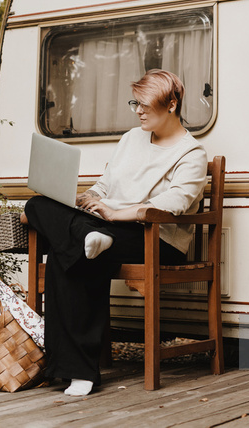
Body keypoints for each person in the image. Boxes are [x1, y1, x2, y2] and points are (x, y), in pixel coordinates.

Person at [23, 69, 208, 396]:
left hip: (153, 237)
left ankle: (75, 370)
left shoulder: (192, 153)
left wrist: (116, 213)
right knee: (39, 204)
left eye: (145, 105)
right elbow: (106, 185)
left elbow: (174, 203)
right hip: (103, 227)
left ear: (171, 104)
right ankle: (84, 236)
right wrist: (86, 199)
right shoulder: (130, 138)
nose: (138, 111)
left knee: (67, 257)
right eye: (134, 103)